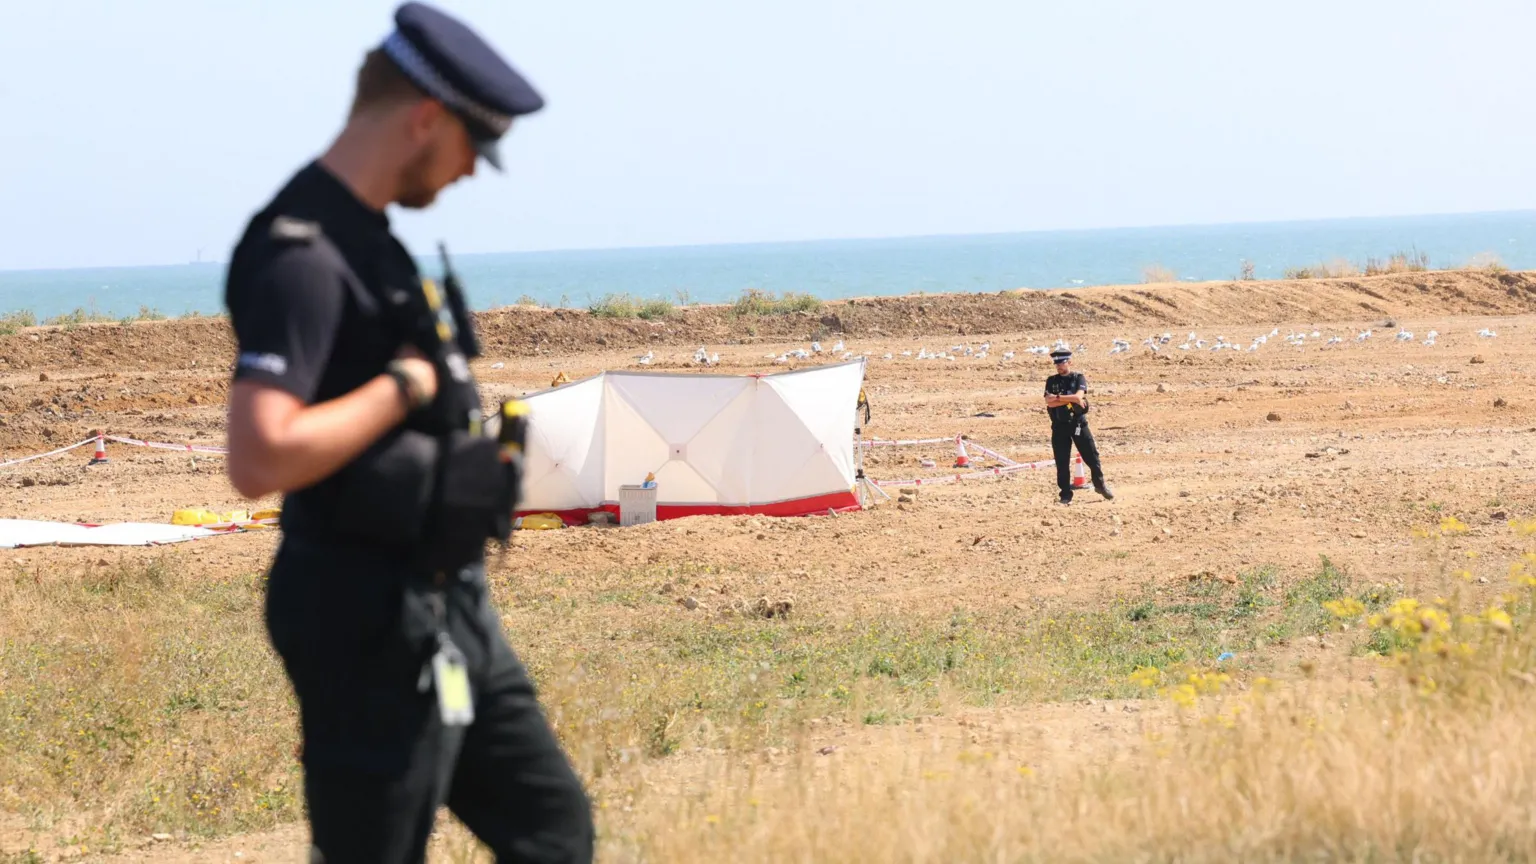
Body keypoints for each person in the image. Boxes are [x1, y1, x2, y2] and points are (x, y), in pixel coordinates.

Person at [222, 4, 593, 862]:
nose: (469, 174)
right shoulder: (300, 253)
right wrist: (407, 384)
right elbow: (259, 454)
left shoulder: (373, 241)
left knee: (552, 829)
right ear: (426, 118)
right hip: (362, 611)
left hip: (446, 597)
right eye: (473, 148)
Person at [1043, 347, 1113, 505]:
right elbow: (1049, 402)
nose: (1059, 367)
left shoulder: (1078, 378)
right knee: (1062, 462)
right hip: (1059, 426)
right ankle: (1065, 495)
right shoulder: (1052, 380)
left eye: (1062, 363)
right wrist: (1071, 400)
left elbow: (1078, 397)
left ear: (1069, 362)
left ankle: (1100, 485)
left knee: (1092, 457)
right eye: (1057, 364)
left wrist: (1059, 398)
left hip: (1078, 424)